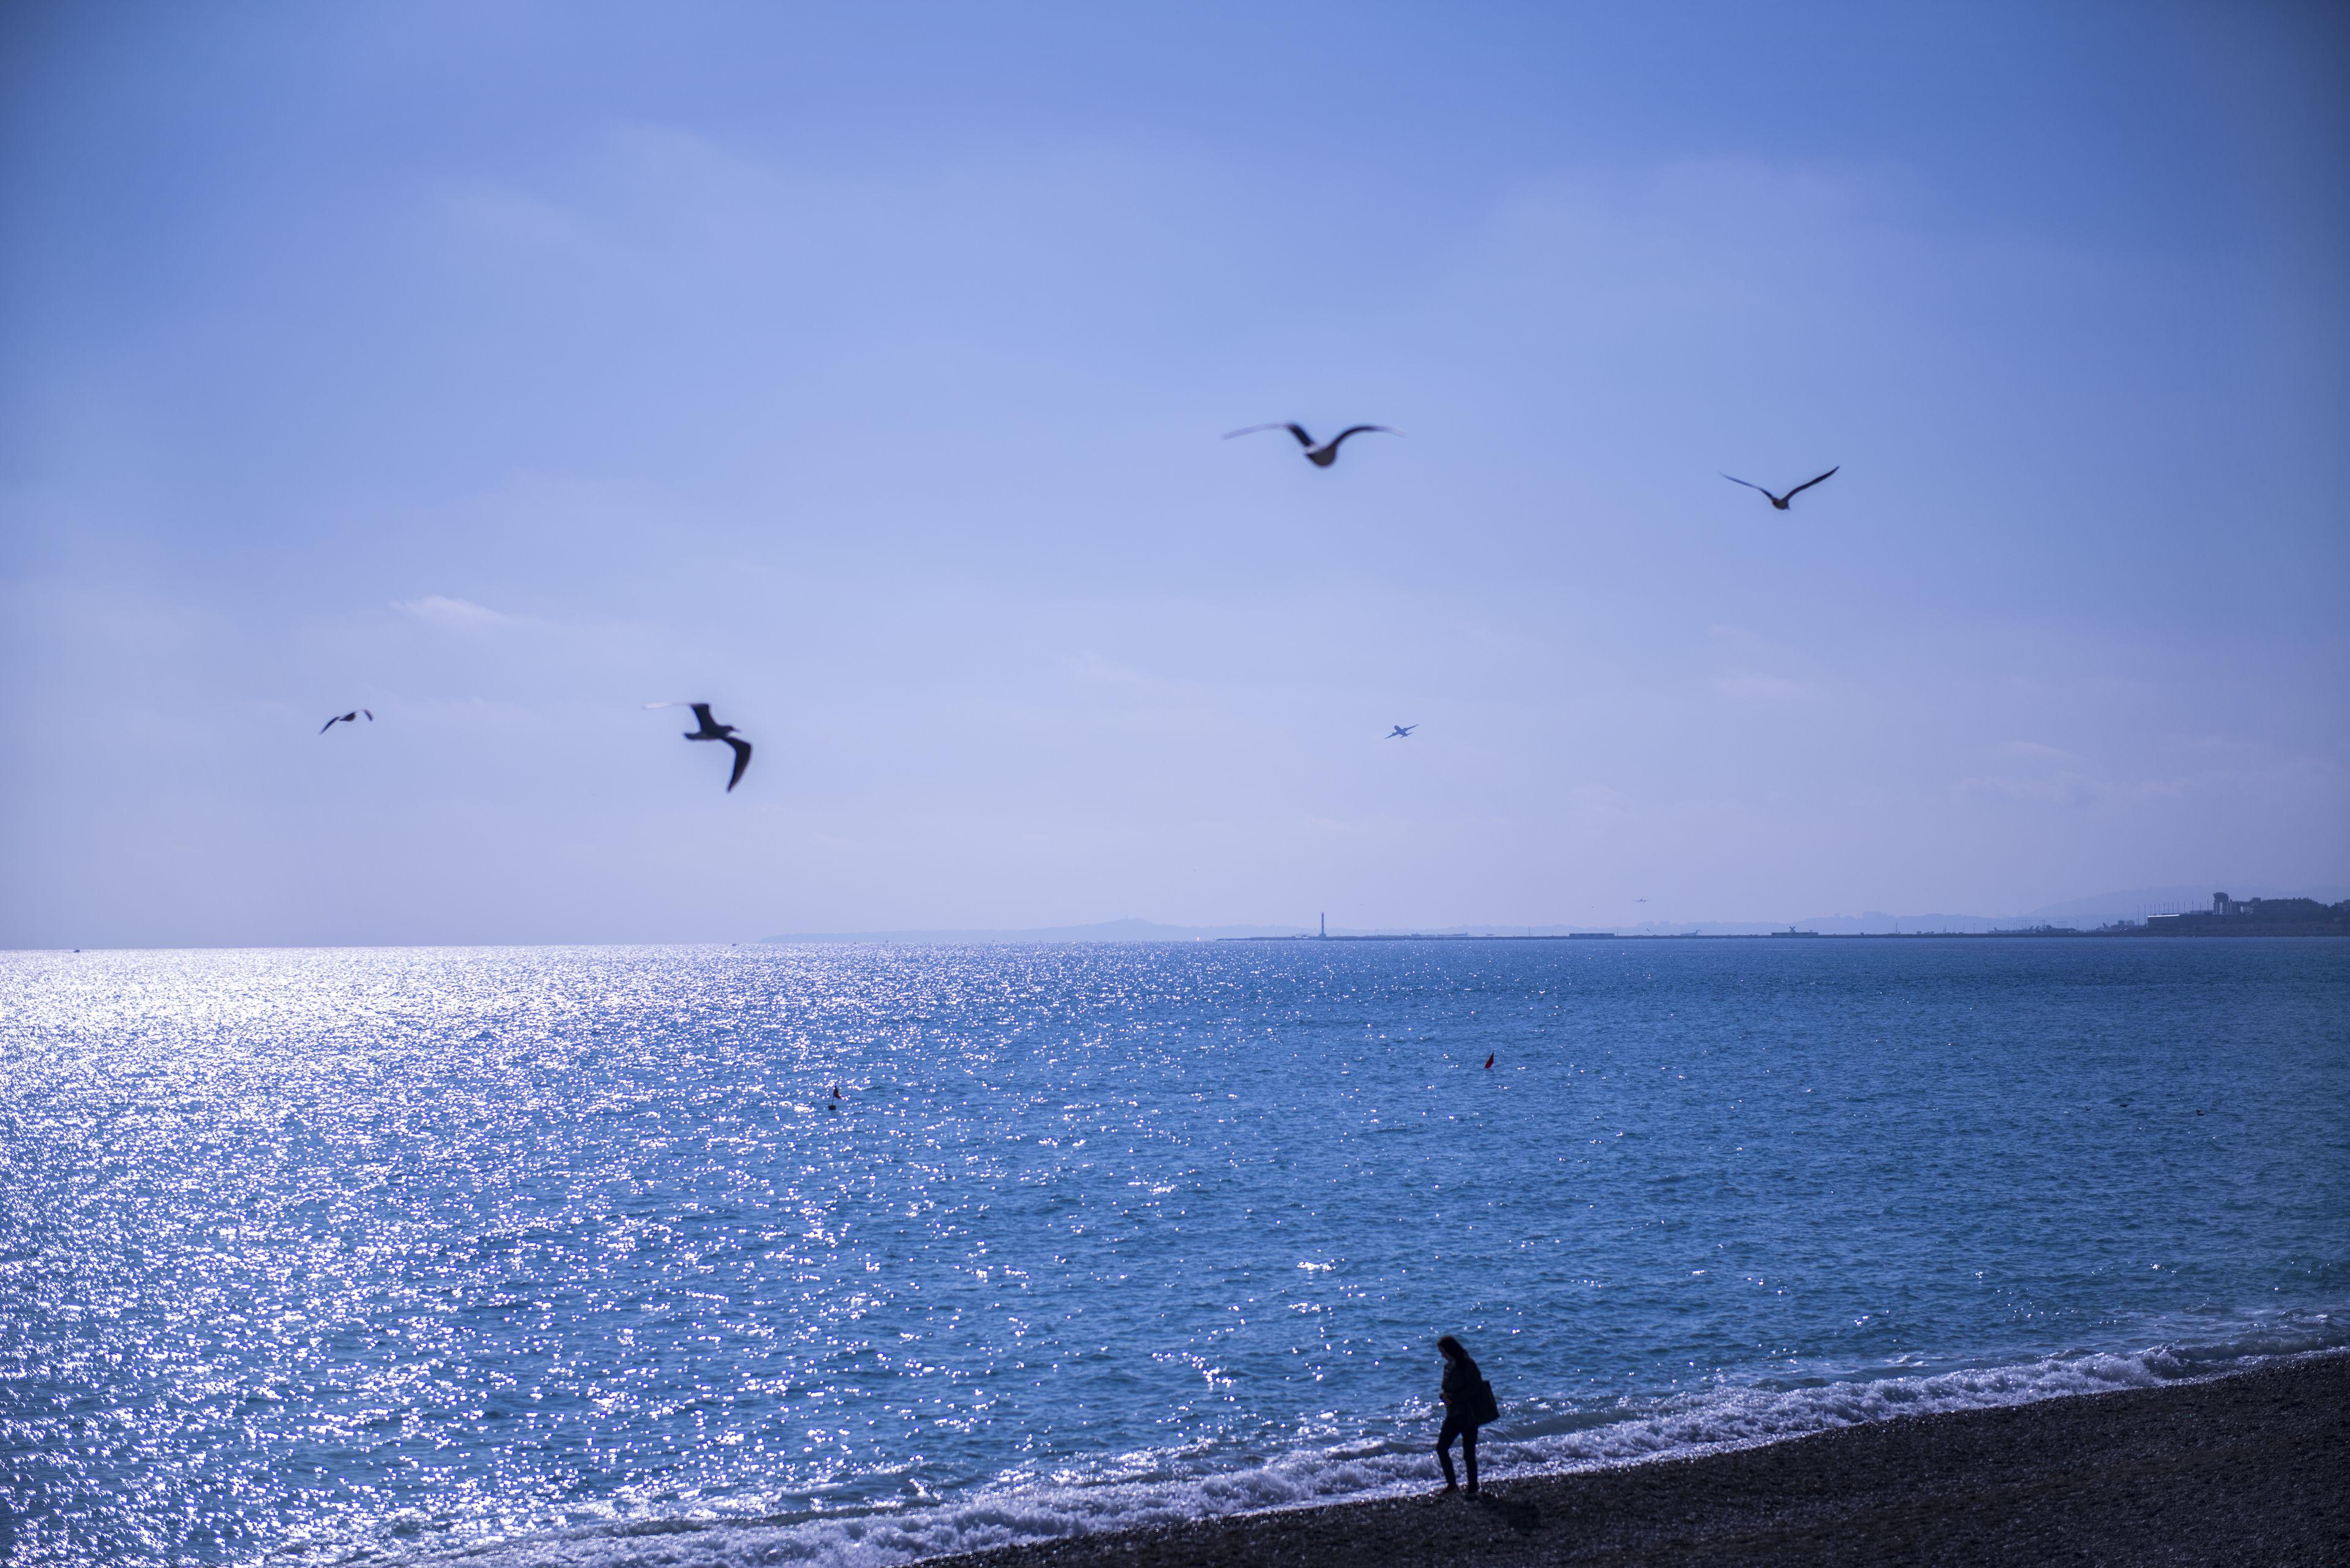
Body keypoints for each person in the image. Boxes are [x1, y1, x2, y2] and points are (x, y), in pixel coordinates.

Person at [1434, 1334, 1488, 1497]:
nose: (1442, 1355)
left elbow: (1475, 1389)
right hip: (1453, 1414)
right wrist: (1443, 1396)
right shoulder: (1448, 1366)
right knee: (1442, 1448)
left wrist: (1455, 1398)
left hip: (1468, 1414)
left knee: (1468, 1453)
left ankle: (1472, 1488)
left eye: (1443, 1351)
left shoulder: (1468, 1365)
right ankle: (1452, 1484)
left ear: (1450, 1350)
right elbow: (1446, 1388)